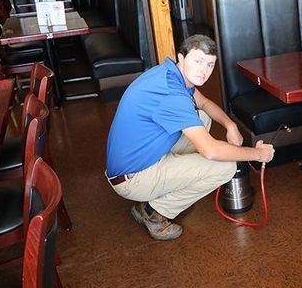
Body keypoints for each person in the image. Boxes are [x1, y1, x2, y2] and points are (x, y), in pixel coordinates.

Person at [105, 35, 275, 240]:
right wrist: (257, 154)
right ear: (181, 57)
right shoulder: (172, 95)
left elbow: (203, 103)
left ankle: (177, 175)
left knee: (201, 118)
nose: (204, 71)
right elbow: (210, 151)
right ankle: (153, 212)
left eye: (210, 65)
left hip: (139, 159)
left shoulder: (170, 73)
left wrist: (230, 125)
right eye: (198, 61)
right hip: (132, 179)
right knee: (225, 168)